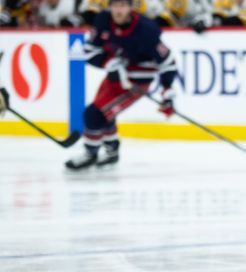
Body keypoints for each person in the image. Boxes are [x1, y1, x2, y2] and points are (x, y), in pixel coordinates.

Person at [66, 0, 177, 171]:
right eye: (115, 5)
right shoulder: (102, 20)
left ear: (131, 8)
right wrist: (109, 63)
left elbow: (168, 62)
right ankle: (111, 151)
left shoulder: (147, 30)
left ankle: (90, 153)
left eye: (123, 5)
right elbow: (88, 51)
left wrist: (168, 92)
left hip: (136, 82)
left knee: (93, 114)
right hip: (115, 75)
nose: (118, 10)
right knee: (103, 114)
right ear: (109, 7)